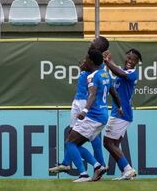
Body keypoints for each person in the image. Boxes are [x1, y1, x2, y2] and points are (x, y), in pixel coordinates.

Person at [50, 49, 122, 183]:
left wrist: (84, 111)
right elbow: (113, 92)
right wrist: (120, 106)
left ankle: (84, 174)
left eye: (86, 59)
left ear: (91, 61)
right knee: (75, 143)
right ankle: (97, 166)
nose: (84, 60)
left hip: (93, 116)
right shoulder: (105, 74)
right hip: (102, 116)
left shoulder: (92, 76)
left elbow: (92, 95)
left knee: (70, 143)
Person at [102, 48, 142, 180]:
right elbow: (117, 69)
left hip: (121, 114)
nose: (130, 61)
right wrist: (109, 59)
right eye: (128, 58)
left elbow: (120, 73)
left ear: (136, 63)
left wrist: (108, 63)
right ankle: (126, 171)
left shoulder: (132, 73)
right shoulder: (123, 70)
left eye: (133, 60)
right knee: (114, 144)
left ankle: (128, 169)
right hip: (121, 113)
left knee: (108, 142)